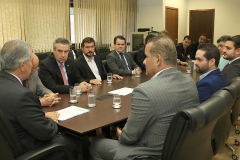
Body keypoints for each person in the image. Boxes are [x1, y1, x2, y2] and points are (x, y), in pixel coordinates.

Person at [90, 36, 199, 160]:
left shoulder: (145, 91)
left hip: (151, 153)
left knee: (95, 144)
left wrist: (121, 135)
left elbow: (128, 138)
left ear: (158, 59)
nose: (144, 62)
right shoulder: (190, 81)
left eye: (146, 57)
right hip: (180, 148)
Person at [0, 40, 82, 159]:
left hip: (7, 147)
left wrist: (42, 116)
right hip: (29, 149)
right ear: (23, 65)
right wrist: (52, 119)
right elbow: (46, 132)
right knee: (78, 142)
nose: (33, 63)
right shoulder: (23, 96)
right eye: (31, 59)